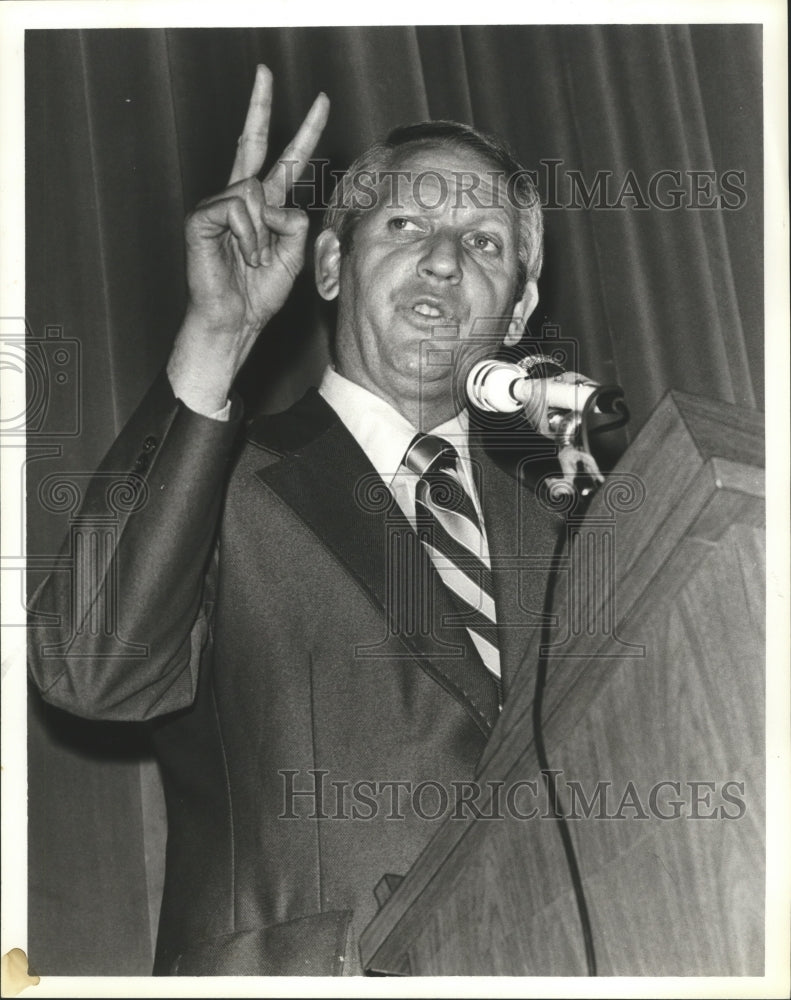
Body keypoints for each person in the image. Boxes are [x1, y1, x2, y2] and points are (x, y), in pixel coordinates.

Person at [28, 65, 563, 976]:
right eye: (405, 224)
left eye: (482, 242)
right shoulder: (222, 480)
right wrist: (219, 338)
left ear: (516, 311)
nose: (443, 259)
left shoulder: (573, 531)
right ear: (327, 262)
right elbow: (87, 669)